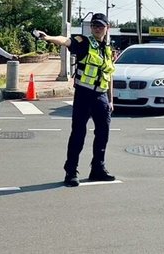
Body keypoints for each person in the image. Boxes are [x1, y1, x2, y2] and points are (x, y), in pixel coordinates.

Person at [34, 12, 116, 187]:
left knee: (103, 133)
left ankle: (98, 169)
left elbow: (109, 74)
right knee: (78, 133)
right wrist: (48, 37)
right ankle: (71, 171)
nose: (97, 28)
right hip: (84, 94)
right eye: (94, 25)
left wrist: (111, 100)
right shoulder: (84, 42)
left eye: (101, 26)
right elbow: (65, 41)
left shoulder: (108, 48)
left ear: (107, 28)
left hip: (101, 96)